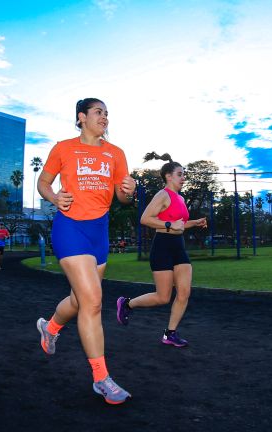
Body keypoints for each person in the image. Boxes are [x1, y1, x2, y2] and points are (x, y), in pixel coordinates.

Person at [36, 98, 136, 405]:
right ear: (81, 117)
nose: (104, 117)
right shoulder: (63, 148)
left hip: (99, 233)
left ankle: (49, 327)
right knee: (93, 301)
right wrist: (54, 197)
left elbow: (122, 197)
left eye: (106, 113)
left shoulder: (116, 153)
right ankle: (101, 379)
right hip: (70, 229)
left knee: (80, 300)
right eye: (98, 112)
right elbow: (43, 182)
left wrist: (128, 191)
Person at [116, 155, 206, 347]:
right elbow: (145, 219)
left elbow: (179, 225)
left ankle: (170, 333)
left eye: (184, 175)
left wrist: (195, 222)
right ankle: (127, 303)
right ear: (168, 176)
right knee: (163, 297)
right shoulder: (162, 195)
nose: (183, 178)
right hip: (163, 246)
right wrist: (169, 223)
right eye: (180, 175)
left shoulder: (180, 198)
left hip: (178, 247)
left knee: (183, 293)